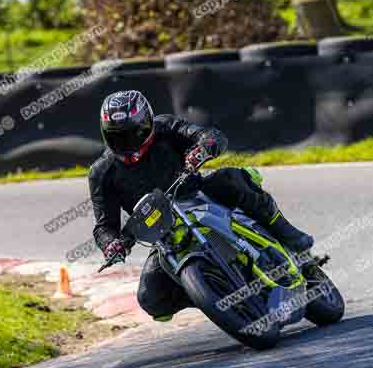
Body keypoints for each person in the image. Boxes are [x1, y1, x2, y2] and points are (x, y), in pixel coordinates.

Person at [89, 90, 314, 321]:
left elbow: (208, 135)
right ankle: (215, 293)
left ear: (147, 123)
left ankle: (285, 231)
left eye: (134, 133)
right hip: (164, 232)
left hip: (198, 193)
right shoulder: (102, 172)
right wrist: (111, 244)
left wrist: (204, 146)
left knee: (232, 179)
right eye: (118, 137)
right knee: (150, 299)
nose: (128, 143)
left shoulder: (165, 127)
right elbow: (104, 226)